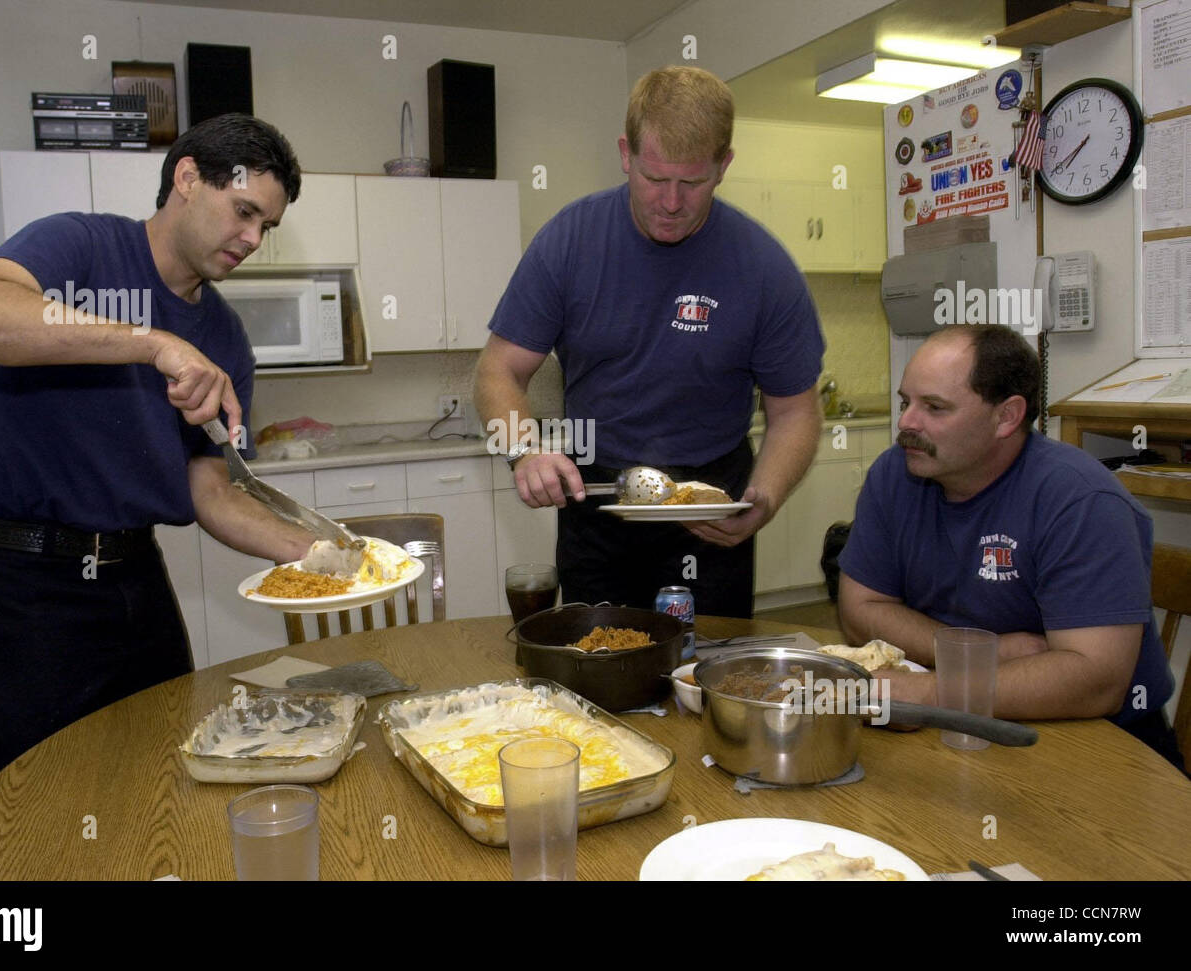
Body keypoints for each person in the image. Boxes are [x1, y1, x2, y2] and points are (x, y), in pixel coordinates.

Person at [0, 114, 318, 778]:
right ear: (188, 178)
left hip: (137, 578)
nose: (254, 239)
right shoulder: (79, 245)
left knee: (165, 774)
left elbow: (210, 491)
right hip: (25, 582)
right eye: (245, 212)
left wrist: (323, 553)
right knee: (40, 798)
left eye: (268, 227)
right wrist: (152, 343)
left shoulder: (226, 339)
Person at [473, 66, 824, 616]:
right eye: (655, 178)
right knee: (595, 666)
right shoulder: (569, 242)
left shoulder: (763, 269)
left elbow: (797, 413)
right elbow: (499, 370)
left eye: (693, 182)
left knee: (703, 675)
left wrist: (768, 497)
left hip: (709, 511)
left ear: (724, 165)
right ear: (625, 154)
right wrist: (525, 450)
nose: (671, 202)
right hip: (596, 499)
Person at [838, 324, 1182, 767]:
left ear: (1006, 417)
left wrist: (928, 691)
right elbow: (860, 608)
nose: (905, 423)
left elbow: (1095, 679)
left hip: (1102, 746)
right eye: (907, 402)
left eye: (934, 407)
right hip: (959, 726)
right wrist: (988, 654)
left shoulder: (1080, 501)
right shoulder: (896, 474)